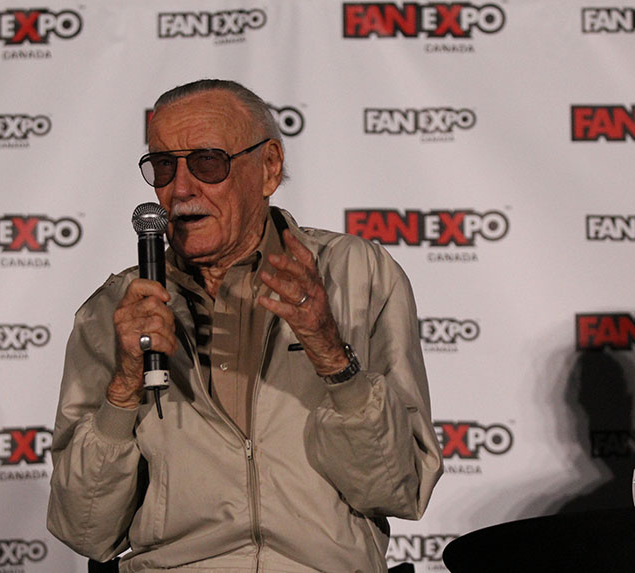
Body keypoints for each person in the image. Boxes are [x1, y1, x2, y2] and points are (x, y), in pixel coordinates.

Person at [47, 79, 443, 572]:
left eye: (208, 162)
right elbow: (84, 529)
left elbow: (399, 489)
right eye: (165, 167)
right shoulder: (116, 309)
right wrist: (124, 388)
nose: (181, 188)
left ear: (269, 168)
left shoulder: (357, 275)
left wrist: (330, 354)